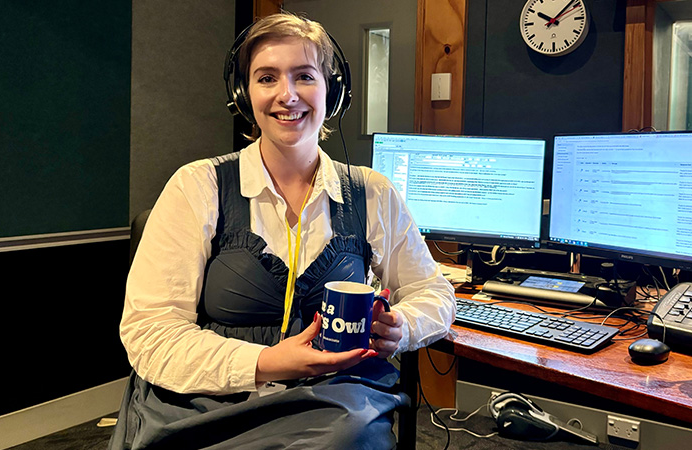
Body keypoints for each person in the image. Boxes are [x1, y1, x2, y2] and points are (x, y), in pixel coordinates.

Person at [109, 11, 456, 450]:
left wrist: (401, 326)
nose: (287, 95)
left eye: (305, 76)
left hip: (331, 404)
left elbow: (435, 291)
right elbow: (150, 331)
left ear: (333, 90)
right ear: (244, 93)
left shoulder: (373, 193)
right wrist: (267, 361)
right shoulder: (196, 186)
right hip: (208, 401)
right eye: (267, 78)